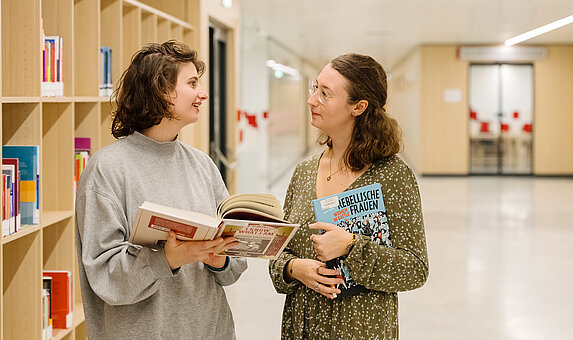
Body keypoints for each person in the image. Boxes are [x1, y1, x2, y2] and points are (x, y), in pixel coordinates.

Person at [75, 40, 247, 339]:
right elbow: (105, 278)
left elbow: (235, 264)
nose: (202, 94)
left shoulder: (202, 165)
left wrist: (220, 259)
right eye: (192, 83)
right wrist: (168, 259)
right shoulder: (107, 169)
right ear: (161, 91)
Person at [269, 53, 429, 339]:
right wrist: (294, 268)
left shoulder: (391, 175)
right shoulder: (305, 172)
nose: (312, 100)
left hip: (360, 329)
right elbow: (280, 253)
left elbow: (415, 269)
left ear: (358, 107)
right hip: (303, 327)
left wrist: (353, 246)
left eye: (325, 94)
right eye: (314, 88)